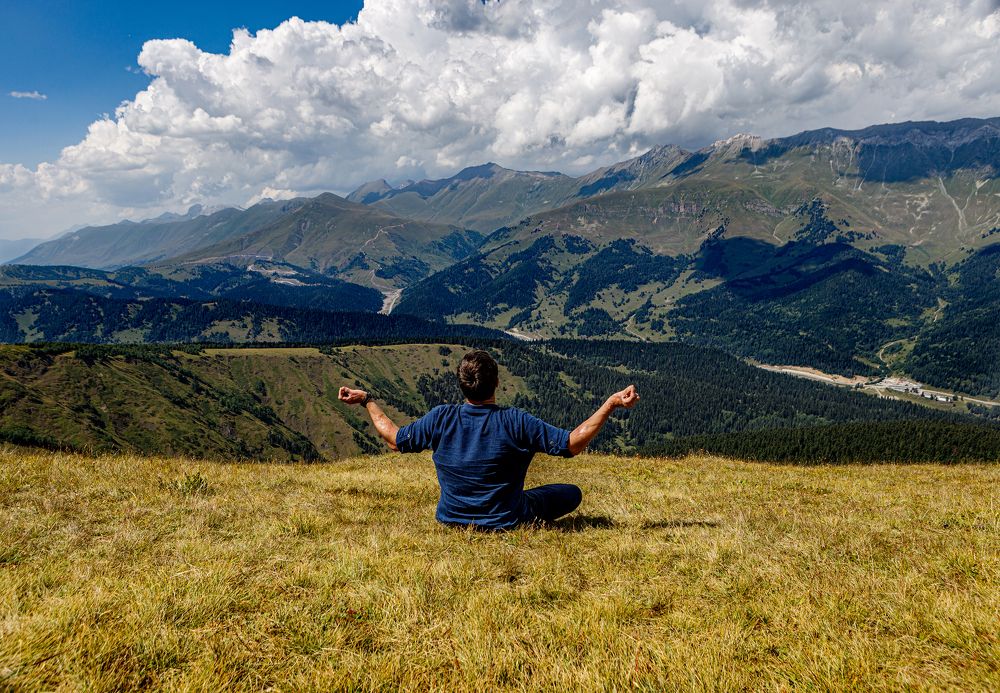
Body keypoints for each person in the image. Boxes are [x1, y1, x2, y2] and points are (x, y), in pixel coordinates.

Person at [338, 349, 639, 530]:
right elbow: (571, 443)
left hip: (451, 519)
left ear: (462, 386)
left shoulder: (442, 417)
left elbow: (394, 438)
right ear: (496, 382)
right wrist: (610, 404)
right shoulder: (515, 420)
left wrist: (367, 400)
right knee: (570, 493)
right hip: (508, 520)